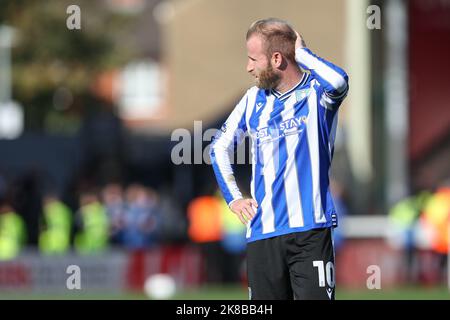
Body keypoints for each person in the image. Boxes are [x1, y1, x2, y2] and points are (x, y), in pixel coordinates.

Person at [210, 18, 349, 300]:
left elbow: (339, 81)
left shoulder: (317, 95)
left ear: (277, 58)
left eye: (253, 59)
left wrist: (304, 55)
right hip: (263, 233)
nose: (248, 67)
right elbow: (218, 148)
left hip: (311, 231)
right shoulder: (253, 99)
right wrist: (234, 198)